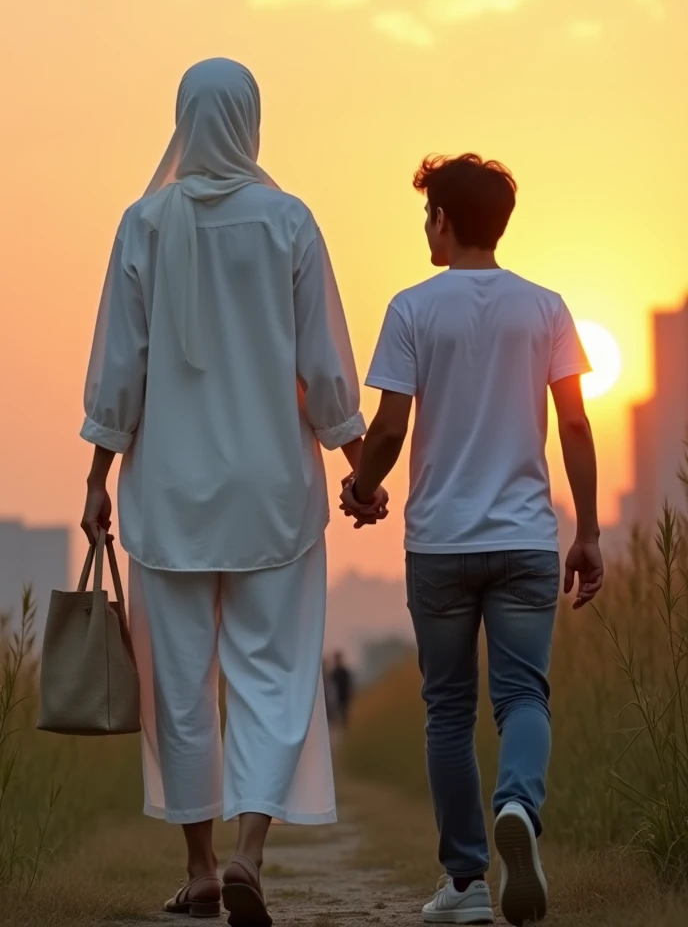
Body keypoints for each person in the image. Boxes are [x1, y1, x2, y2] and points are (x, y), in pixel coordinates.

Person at [79, 58, 387, 925]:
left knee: (177, 687)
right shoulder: (289, 222)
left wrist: (98, 478)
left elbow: (118, 369)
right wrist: (357, 469)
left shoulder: (142, 224)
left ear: (182, 118)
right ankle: (251, 853)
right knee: (276, 676)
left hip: (169, 499)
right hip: (272, 496)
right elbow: (324, 368)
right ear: (251, 121)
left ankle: (203, 868)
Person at [340, 154, 604, 926]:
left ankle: (464, 884)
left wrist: (362, 490)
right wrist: (586, 531)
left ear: (444, 221)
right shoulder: (548, 308)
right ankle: (517, 806)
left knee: (449, 710)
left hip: (441, 544)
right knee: (523, 695)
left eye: (428, 214)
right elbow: (578, 424)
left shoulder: (413, 308)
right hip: (526, 539)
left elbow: (389, 426)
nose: (427, 226)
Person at [329, 651, 354, 729]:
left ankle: (345, 726)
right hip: (337, 696)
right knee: (340, 711)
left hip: (344, 694)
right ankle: (342, 726)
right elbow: (332, 686)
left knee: (344, 711)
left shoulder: (344, 671)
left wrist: (349, 693)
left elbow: (348, 683)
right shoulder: (334, 673)